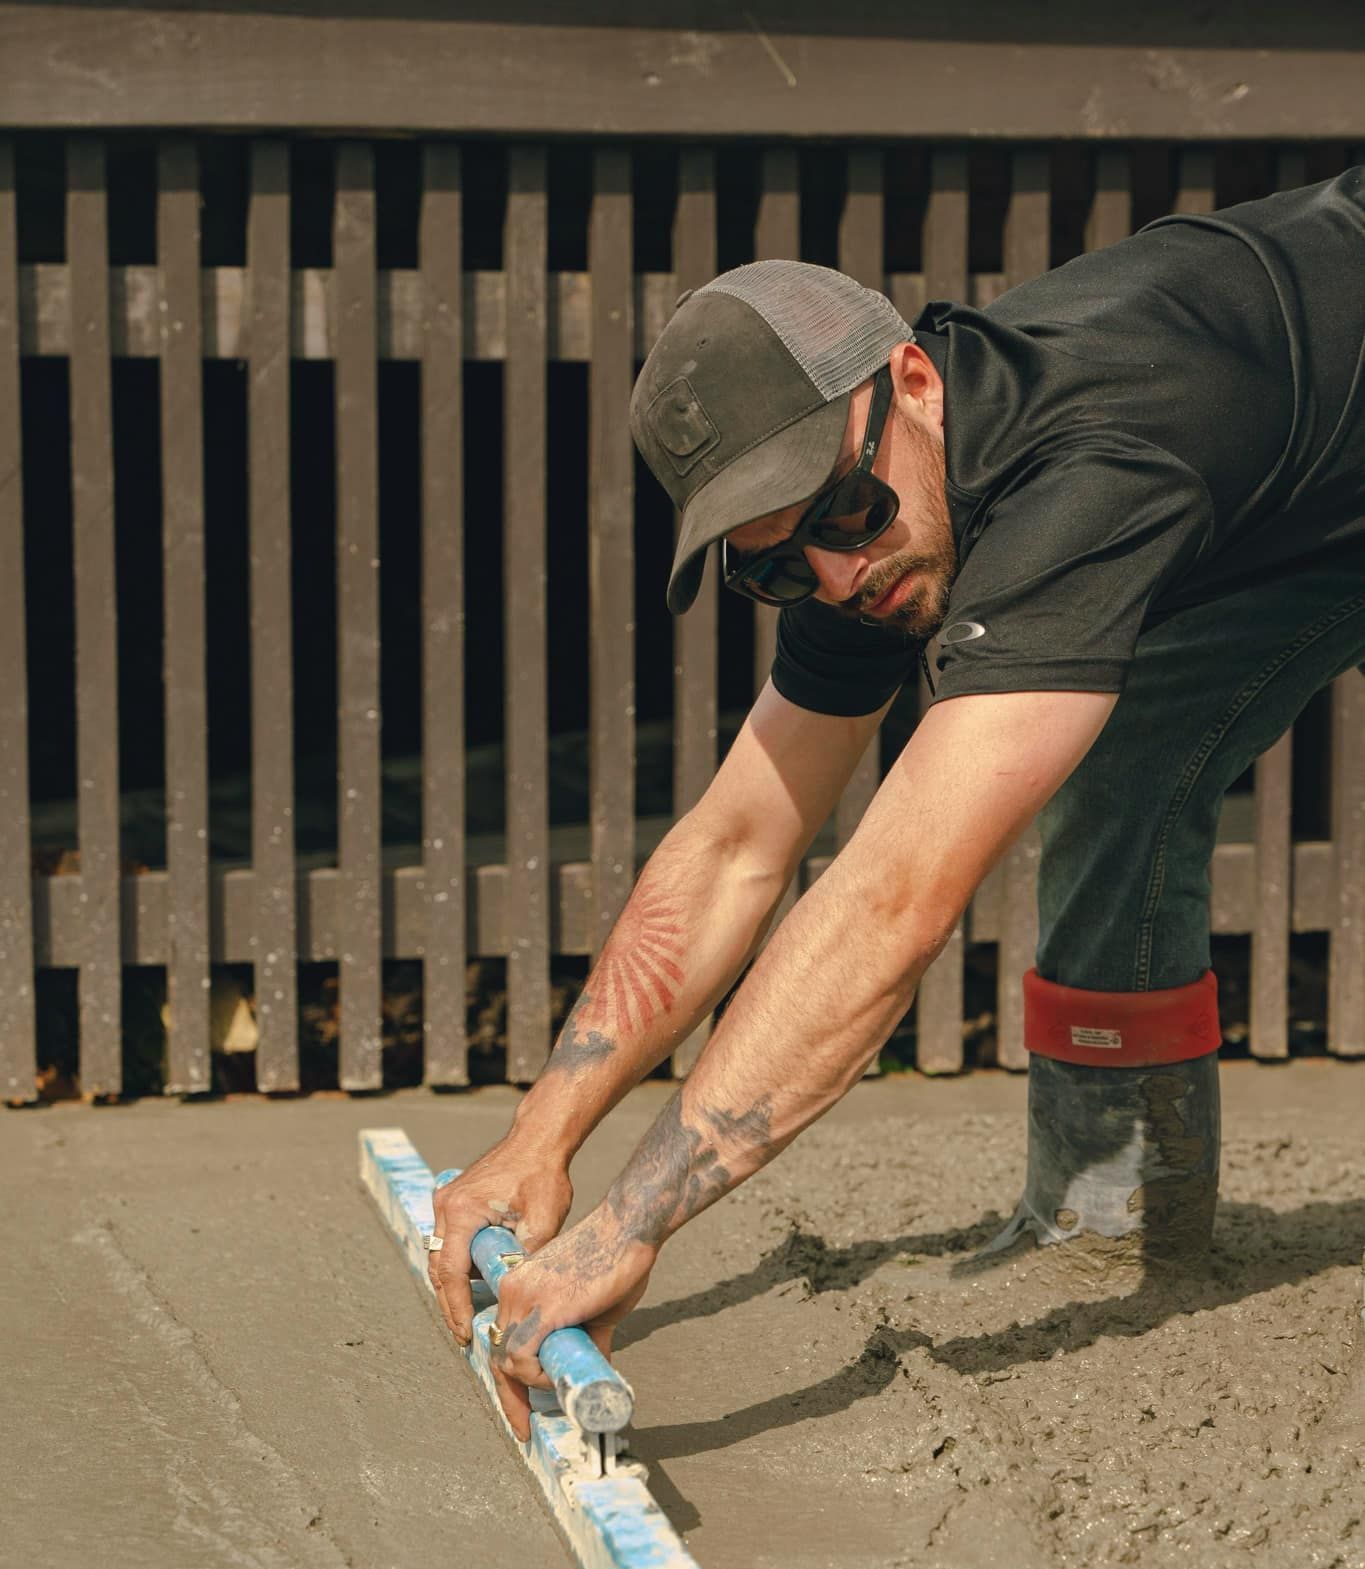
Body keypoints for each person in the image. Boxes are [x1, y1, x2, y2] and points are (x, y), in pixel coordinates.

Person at [429, 170, 1365, 1442]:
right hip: (1312, 484)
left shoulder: (1092, 461)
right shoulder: (889, 516)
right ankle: (1117, 1211)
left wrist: (626, 1225)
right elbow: (738, 841)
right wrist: (541, 1138)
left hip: (1300, 425)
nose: (832, 570)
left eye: (842, 513)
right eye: (772, 564)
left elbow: (892, 900)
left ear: (913, 385)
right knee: (1117, 741)